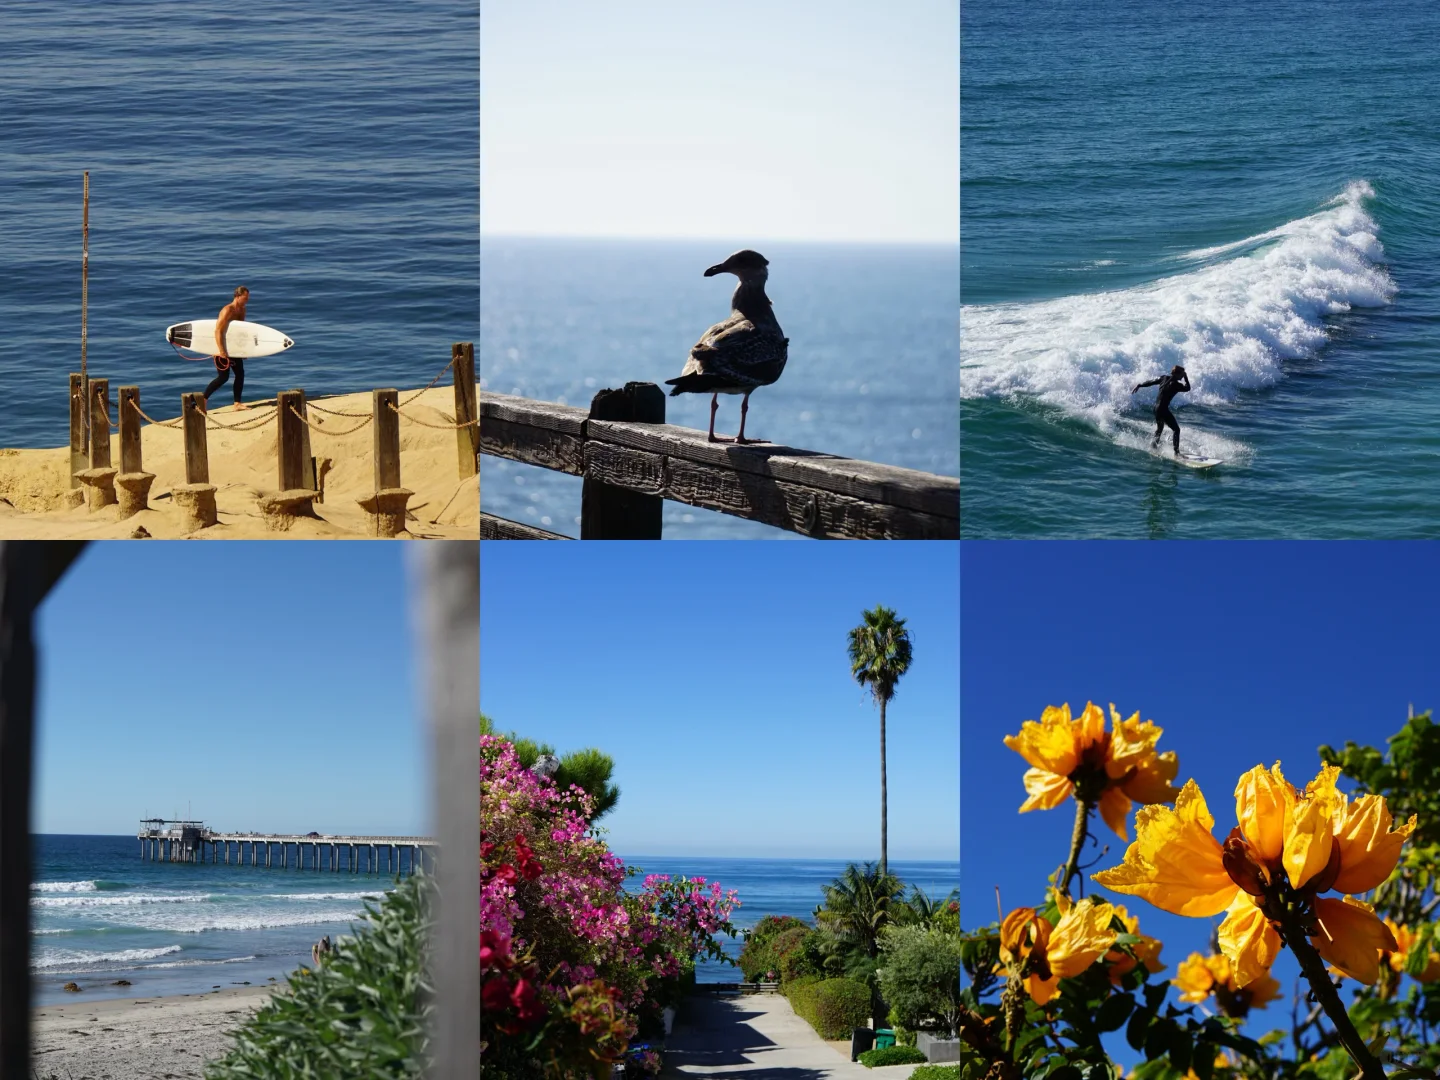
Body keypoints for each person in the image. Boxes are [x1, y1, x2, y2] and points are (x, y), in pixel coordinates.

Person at [203, 286, 250, 412]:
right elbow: (218, 330)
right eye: (245, 298)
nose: (247, 300)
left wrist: (243, 350)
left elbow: (240, 332)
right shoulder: (228, 310)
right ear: (237, 296)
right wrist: (221, 351)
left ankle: (237, 403)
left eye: (248, 298)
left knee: (240, 374)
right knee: (223, 378)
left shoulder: (242, 310)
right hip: (221, 348)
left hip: (233, 348)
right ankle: (203, 400)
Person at [1131, 364, 1191, 454]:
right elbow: (1188, 388)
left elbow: (1151, 382)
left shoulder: (1164, 378)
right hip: (1163, 409)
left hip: (1156, 408)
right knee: (1176, 430)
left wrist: (1140, 385)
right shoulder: (1176, 385)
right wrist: (1186, 377)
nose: (1183, 375)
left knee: (1159, 429)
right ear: (1177, 374)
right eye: (1182, 374)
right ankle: (1176, 453)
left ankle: (1153, 447)